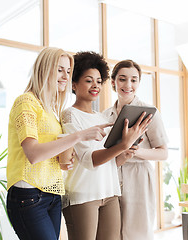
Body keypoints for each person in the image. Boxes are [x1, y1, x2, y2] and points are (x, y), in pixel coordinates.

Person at [6, 47, 112, 240]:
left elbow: (47, 151)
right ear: (44, 69)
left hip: (52, 195)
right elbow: (33, 153)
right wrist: (79, 136)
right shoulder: (25, 102)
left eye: (68, 71)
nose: (65, 76)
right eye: (60, 69)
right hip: (28, 194)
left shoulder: (50, 110)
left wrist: (63, 159)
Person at [60, 52, 152, 240]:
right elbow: (89, 161)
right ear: (74, 84)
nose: (95, 85)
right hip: (83, 196)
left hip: (110, 193)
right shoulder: (69, 115)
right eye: (88, 80)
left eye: (99, 81)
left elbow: (110, 161)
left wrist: (124, 154)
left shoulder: (102, 117)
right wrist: (122, 145)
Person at [103, 60, 169, 240]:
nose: (128, 85)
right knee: (113, 232)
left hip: (139, 176)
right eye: (122, 79)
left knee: (138, 232)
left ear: (139, 83)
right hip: (112, 175)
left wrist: (135, 151)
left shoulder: (149, 112)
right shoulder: (105, 115)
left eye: (134, 80)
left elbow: (163, 152)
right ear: (113, 82)